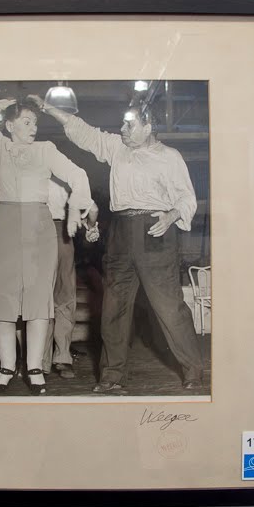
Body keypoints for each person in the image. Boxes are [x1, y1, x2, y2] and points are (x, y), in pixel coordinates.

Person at [28, 94, 203, 393]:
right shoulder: (117, 148)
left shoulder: (169, 157)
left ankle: (193, 371)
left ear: (148, 127)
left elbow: (187, 198)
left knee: (169, 307)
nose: (122, 129)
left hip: (155, 230)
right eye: (122, 123)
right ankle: (112, 376)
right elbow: (83, 132)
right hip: (121, 232)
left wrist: (172, 215)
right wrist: (48, 108)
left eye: (129, 124)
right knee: (113, 308)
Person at [0, 98, 93, 395]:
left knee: (38, 299)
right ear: (9, 125)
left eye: (35, 123)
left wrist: (74, 208)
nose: (33, 128)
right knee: (1, 299)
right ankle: (6, 368)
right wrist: (8, 101)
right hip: (4, 225)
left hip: (39, 226)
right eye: (26, 122)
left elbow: (79, 175)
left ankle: (34, 369)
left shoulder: (46, 150)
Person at [42, 177, 99, 379]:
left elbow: (92, 208)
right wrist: (90, 226)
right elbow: (93, 210)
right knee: (59, 297)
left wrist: (88, 225)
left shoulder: (67, 176)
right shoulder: (68, 176)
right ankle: (54, 359)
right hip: (50, 233)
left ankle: (50, 359)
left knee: (52, 297)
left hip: (52, 233)